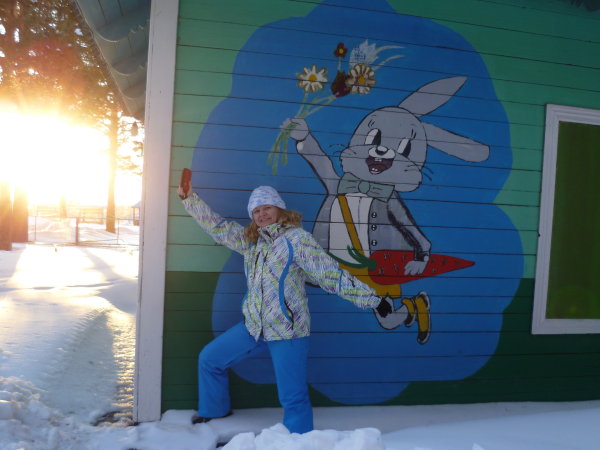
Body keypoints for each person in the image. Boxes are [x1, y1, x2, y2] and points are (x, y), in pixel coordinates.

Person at [178, 183, 391, 434]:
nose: (262, 214)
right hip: (254, 327)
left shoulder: (297, 240)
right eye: (256, 211)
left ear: (279, 209)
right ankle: (215, 411)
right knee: (210, 359)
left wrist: (373, 299)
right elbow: (218, 227)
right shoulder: (252, 241)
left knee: (292, 396)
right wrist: (189, 199)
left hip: (288, 330)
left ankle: (298, 439)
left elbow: (331, 275)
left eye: (267, 208)